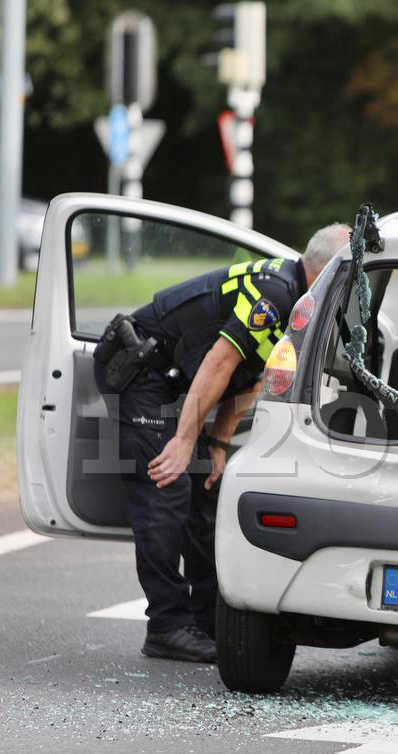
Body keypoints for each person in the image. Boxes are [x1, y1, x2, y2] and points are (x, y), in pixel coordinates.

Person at [96, 223, 350, 662]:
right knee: (166, 491)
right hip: (142, 369)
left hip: (176, 381)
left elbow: (250, 377)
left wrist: (216, 442)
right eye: (349, 276)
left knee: (204, 495)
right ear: (326, 272)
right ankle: (167, 627)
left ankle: (203, 619)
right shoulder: (276, 296)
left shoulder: (302, 303)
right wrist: (181, 440)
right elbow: (220, 361)